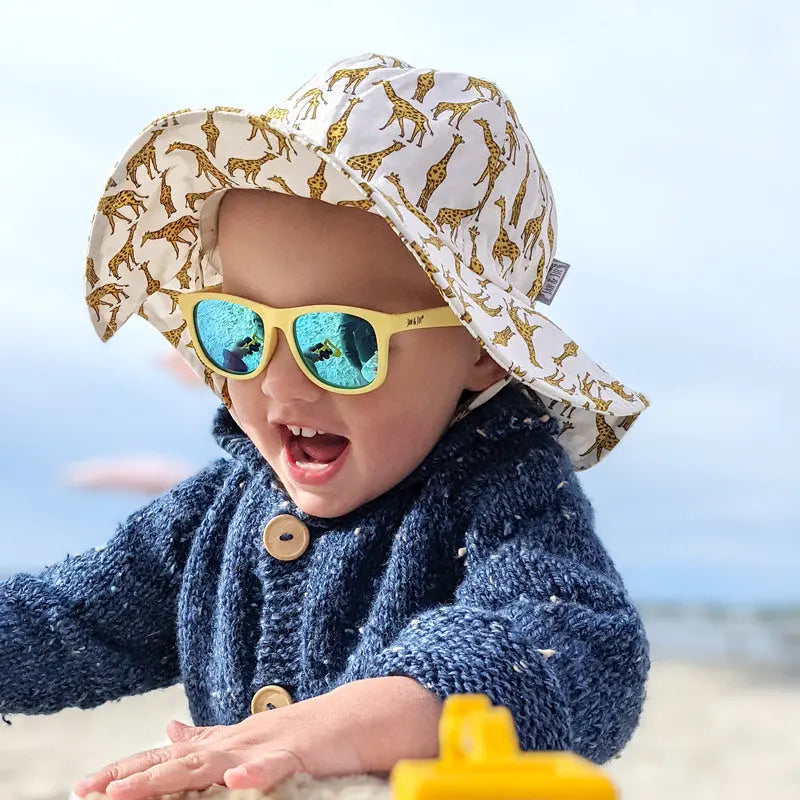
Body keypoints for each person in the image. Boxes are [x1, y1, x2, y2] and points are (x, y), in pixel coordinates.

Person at [0, 53, 652, 799]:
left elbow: (577, 645)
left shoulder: (499, 488)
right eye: (239, 330)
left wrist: (347, 723)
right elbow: (69, 621)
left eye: (340, 341)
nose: (278, 383)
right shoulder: (218, 512)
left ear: (481, 349)